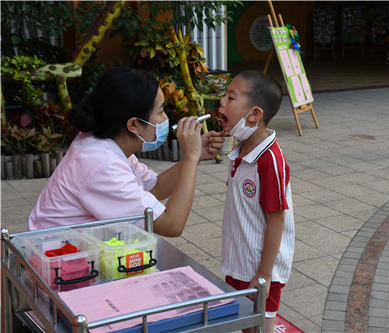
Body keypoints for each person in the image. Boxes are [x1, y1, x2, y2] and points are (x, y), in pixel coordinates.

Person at [27, 67, 227, 236]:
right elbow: (171, 225)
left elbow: (154, 188)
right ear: (134, 125)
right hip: (57, 260)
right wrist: (190, 158)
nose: (165, 118)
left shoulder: (108, 143)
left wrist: (197, 154)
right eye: (160, 111)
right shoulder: (101, 163)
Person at [218, 70, 294, 332]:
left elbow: (277, 218)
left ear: (254, 114)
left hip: (262, 269)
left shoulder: (270, 159)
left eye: (231, 97)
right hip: (239, 259)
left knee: (260, 327)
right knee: (245, 324)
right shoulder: (239, 148)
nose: (221, 103)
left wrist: (264, 273)